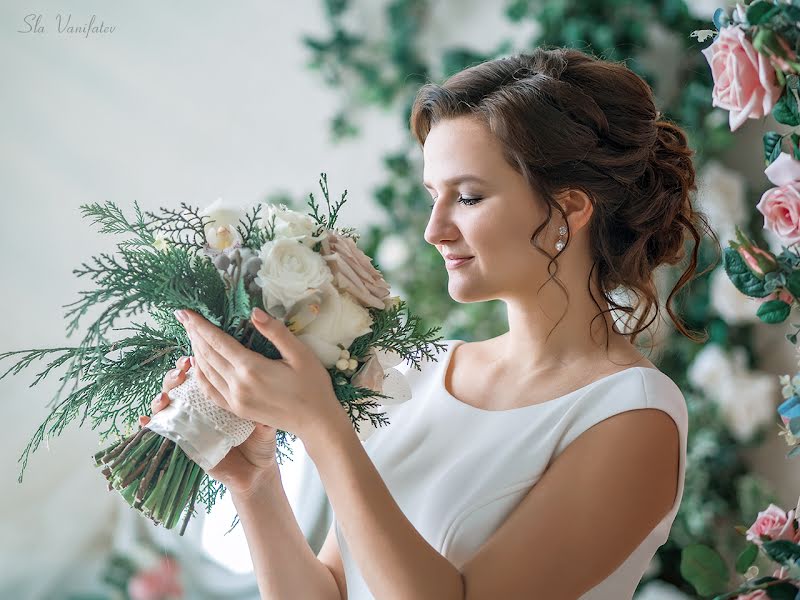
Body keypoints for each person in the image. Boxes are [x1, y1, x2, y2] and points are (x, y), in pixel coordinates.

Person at [141, 46, 719, 599]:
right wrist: (255, 484)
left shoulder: (633, 414)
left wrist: (321, 424)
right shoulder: (418, 372)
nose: (434, 229)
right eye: (432, 197)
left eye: (467, 197)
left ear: (570, 208)